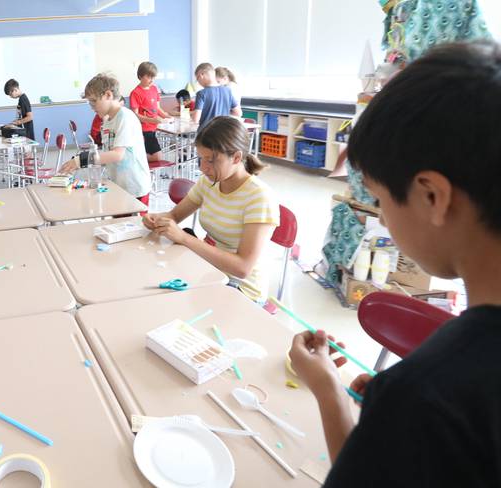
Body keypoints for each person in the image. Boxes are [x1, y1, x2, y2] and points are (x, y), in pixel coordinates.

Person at [288, 41, 501, 487]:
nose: (382, 217)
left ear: (431, 196)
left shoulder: (425, 394)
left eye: (381, 199)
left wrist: (331, 391)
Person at [143, 116, 279, 303]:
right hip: (210, 270)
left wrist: (184, 238)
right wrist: (156, 219)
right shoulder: (209, 182)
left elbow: (243, 267)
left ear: (237, 157)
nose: (203, 168)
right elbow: (174, 215)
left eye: (211, 160)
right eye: (201, 159)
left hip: (241, 287)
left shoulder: (259, 197)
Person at [59, 74, 151, 205]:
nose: (91, 106)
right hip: (118, 186)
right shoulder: (108, 120)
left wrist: (82, 160)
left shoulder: (125, 117)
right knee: (116, 224)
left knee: (133, 225)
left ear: (108, 95)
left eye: (94, 101)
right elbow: (107, 153)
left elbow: (117, 155)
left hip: (134, 187)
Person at [130, 61, 172, 162]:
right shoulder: (135, 93)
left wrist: (166, 116)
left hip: (154, 128)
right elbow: (135, 115)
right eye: (149, 77)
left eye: (153, 77)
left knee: (152, 153)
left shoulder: (154, 89)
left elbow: (157, 108)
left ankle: (138, 157)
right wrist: (152, 120)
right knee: (157, 157)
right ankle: (134, 158)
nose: (152, 80)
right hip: (144, 130)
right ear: (140, 76)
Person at [191, 63, 241, 127]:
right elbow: (238, 113)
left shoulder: (201, 93)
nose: (198, 82)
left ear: (201, 75)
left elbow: (196, 119)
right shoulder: (227, 91)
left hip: (206, 132)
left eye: (197, 79)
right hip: (222, 132)